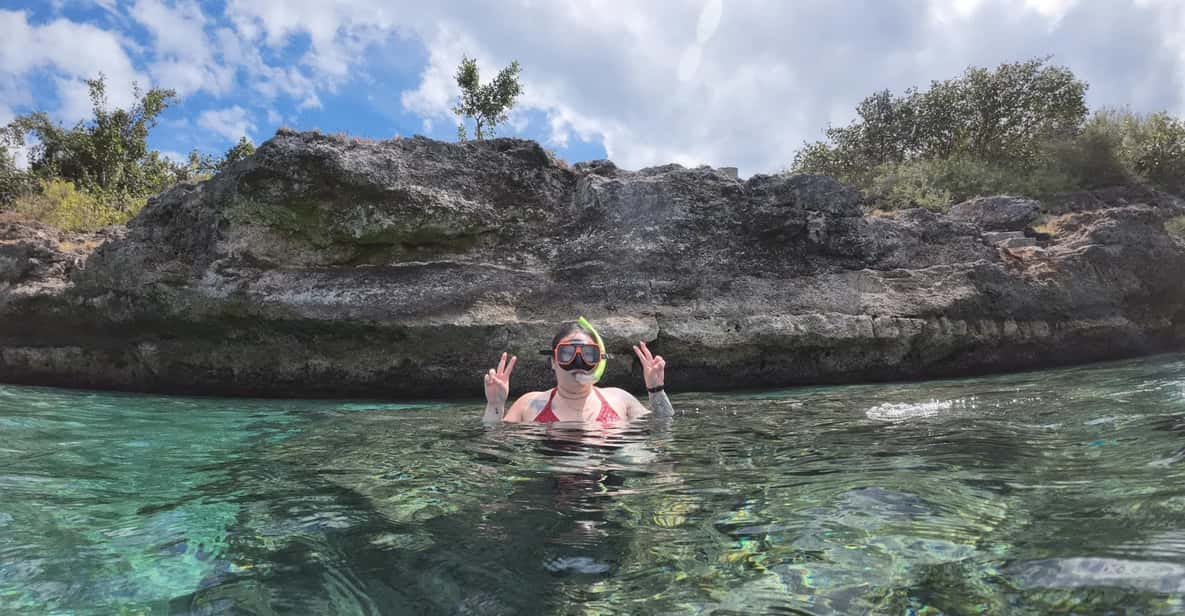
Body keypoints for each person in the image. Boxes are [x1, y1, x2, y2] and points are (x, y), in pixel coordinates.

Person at [482, 318, 675, 423]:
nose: (578, 362)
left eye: (589, 355)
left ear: (599, 361)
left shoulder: (619, 399)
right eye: (567, 354)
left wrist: (656, 390)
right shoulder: (529, 404)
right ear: (553, 362)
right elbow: (495, 442)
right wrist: (495, 405)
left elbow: (663, 426)